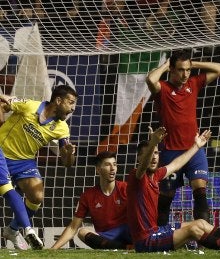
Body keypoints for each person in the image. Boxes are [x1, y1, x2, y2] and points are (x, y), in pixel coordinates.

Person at [126, 126, 220, 252]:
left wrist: (196, 146)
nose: (154, 157)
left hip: (156, 231)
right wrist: (153, 143)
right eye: (150, 154)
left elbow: (176, 164)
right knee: (193, 230)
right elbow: (143, 166)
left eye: (156, 153)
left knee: (201, 223)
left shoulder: (156, 175)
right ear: (139, 158)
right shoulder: (136, 176)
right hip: (145, 240)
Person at [146, 49, 220, 226]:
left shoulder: (193, 83)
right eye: (180, 70)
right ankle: (159, 237)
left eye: (188, 70)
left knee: (200, 191)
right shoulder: (163, 89)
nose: (185, 74)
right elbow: (150, 79)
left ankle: (203, 240)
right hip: (170, 152)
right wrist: (166, 65)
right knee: (166, 198)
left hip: (194, 149)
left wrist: (193, 64)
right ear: (172, 70)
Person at [0, 85, 78, 250]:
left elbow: (67, 163)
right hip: (2, 151)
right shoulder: (29, 106)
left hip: (24, 161)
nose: (73, 108)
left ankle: (12, 230)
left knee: (37, 197)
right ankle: (27, 230)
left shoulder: (62, 128)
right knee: (6, 189)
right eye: (70, 102)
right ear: (58, 100)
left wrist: (69, 153)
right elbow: (4, 103)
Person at [51, 151, 132, 250]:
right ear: (98, 169)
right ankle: (123, 248)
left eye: (114, 164)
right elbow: (73, 228)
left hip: (127, 232)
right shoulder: (88, 195)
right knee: (82, 232)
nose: (112, 168)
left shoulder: (126, 188)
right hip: (106, 237)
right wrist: (53, 248)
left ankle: (126, 246)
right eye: (107, 165)